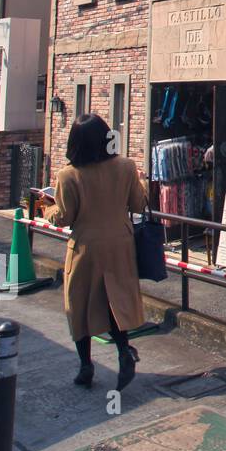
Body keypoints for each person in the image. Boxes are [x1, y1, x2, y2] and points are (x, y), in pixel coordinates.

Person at [43, 114, 148, 390]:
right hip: (120, 245)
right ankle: (124, 351)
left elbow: (64, 217)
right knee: (115, 301)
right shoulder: (125, 167)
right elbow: (139, 204)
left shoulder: (68, 175)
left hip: (86, 247)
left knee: (79, 304)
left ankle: (85, 366)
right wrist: (143, 182)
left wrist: (47, 207)